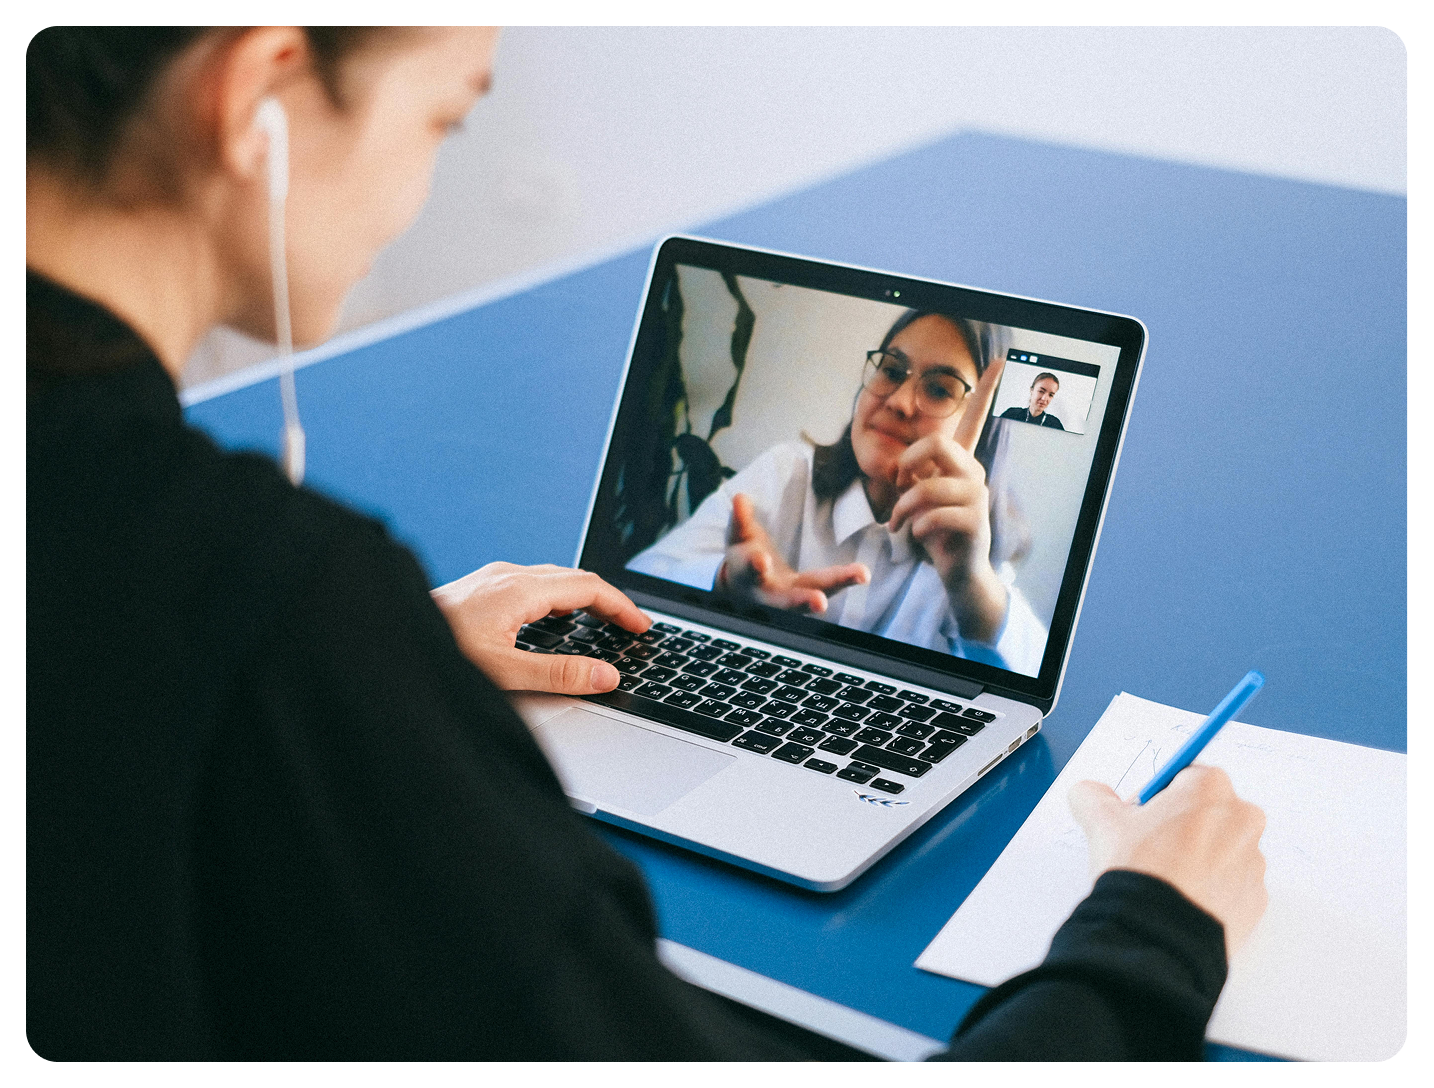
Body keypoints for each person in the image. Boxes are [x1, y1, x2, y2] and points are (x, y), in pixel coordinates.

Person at [26, 26, 1268, 1061]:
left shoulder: (985, 543)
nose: (898, 394)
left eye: (937, 384)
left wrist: (393, 651)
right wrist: (1151, 930)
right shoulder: (280, 607)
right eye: (444, 121)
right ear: (259, 94)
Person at [629, 309, 1049, 675]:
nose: (900, 402)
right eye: (890, 370)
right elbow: (642, 575)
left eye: (939, 389)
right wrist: (725, 581)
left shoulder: (970, 552)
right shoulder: (788, 472)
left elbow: (1031, 688)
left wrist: (970, 581)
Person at [1001, 371, 1066, 429]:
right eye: (1041, 391)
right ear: (1031, 390)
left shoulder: (1055, 424)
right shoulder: (1011, 415)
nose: (1044, 398)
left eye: (1051, 395)